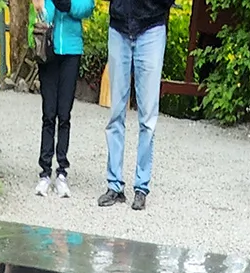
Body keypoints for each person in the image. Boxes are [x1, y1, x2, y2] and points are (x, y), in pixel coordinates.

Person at [98, 0, 173, 210]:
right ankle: (114, 185)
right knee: (115, 113)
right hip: (119, 27)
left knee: (147, 117)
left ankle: (141, 187)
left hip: (151, 27)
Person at [32, 0, 95, 198]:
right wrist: (41, 9)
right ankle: (44, 172)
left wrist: (68, 5)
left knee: (64, 114)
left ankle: (61, 171)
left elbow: (88, 8)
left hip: (71, 50)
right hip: (48, 47)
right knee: (48, 113)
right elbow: (39, 18)